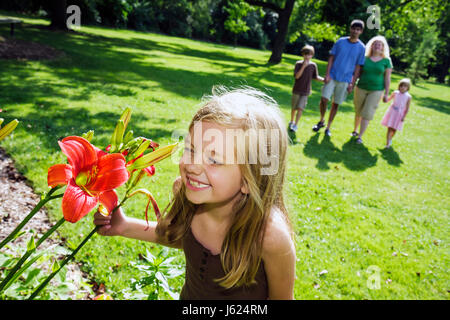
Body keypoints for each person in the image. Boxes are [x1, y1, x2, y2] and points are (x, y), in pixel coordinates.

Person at [93, 86, 296, 299]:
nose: (192, 165)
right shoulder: (188, 193)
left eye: (214, 159)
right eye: (190, 149)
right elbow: (181, 237)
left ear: (249, 179)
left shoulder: (269, 235)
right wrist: (124, 226)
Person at [312, 19, 366, 136]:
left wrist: (353, 83)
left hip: (346, 80)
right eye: (354, 28)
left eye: (358, 29)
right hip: (332, 76)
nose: (355, 31)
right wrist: (327, 74)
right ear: (350, 29)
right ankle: (321, 120)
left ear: (361, 31)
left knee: (336, 104)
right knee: (324, 99)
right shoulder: (340, 42)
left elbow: (358, 67)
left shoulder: (362, 47)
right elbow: (331, 58)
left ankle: (328, 127)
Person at [352, 35, 393, 144]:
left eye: (379, 44)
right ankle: (355, 130)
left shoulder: (386, 61)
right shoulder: (364, 59)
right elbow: (357, 73)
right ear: (371, 46)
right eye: (375, 44)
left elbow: (387, 78)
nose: (377, 46)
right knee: (358, 110)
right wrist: (352, 84)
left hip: (376, 90)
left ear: (383, 47)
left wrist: (386, 94)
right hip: (361, 87)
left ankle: (360, 136)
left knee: (367, 113)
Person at [289, 45, 324, 132]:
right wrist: (303, 66)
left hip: (306, 91)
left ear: (312, 55)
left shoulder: (313, 65)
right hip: (297, 90)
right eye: (305, 54)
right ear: (303, 54)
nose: (307, 56)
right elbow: (297, 76)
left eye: (309, 55)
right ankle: (292, 121)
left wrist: (324, 80)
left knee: (301, 108)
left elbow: (315, 77)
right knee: (294, 108)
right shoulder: (298, 64)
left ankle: (295, 125)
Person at [381, 78, 412, 148]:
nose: (402, 87)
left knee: (394, 129)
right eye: (401, 86)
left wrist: (404, 116)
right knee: (389, 127)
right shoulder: (395, 93)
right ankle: (387, 143)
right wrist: (384, 97)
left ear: (408, 88)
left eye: (405, 86)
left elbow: (407, 108)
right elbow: (388, 100)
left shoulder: (408, 97)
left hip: (400, 114)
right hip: (392, 112)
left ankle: (390, 138)